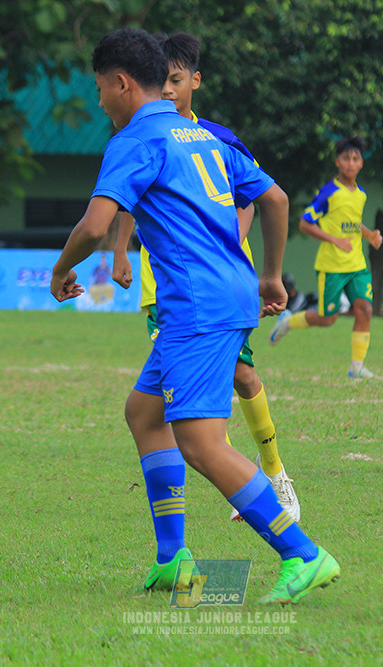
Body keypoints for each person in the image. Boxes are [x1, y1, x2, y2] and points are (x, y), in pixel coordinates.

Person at [51, 28, 339, 604]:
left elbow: (94, 224)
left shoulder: (134, 138)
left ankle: (304, 554)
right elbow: (276, 199)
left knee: (202, 444)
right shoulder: (207, 135)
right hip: (227, 293)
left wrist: (61, 271)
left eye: (101, 89)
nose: (101, 101)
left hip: (195, 305)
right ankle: (172, 559)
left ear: (121, 82)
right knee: (144, 413)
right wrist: (271, 274)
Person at [112, 31, 300, 524]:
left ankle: (274, 482)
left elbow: (258, 201)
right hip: (166, 294)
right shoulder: (144, 137)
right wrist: (120, 252)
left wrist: (253, 261)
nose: (169, 90)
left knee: (227, 389)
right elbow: (126, 200)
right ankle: (177, 548)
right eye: (163, 81)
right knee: (152, 412)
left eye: (177, 80)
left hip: (210, 291)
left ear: (195, 81)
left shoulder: (214, 139)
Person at [269, 136, 383, 379]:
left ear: (362, 163)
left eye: (355, 159)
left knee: (364, 309)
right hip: (332, 266)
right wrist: (334, 240)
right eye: (346, 159)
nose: (351, 163)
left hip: (357, 265)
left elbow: (352, 224)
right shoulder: (328, 192)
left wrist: (369, 235)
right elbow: (305, 224)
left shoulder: (360, 194)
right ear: (337, 162)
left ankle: (357, 367)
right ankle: (288, 321)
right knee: (327, 318)